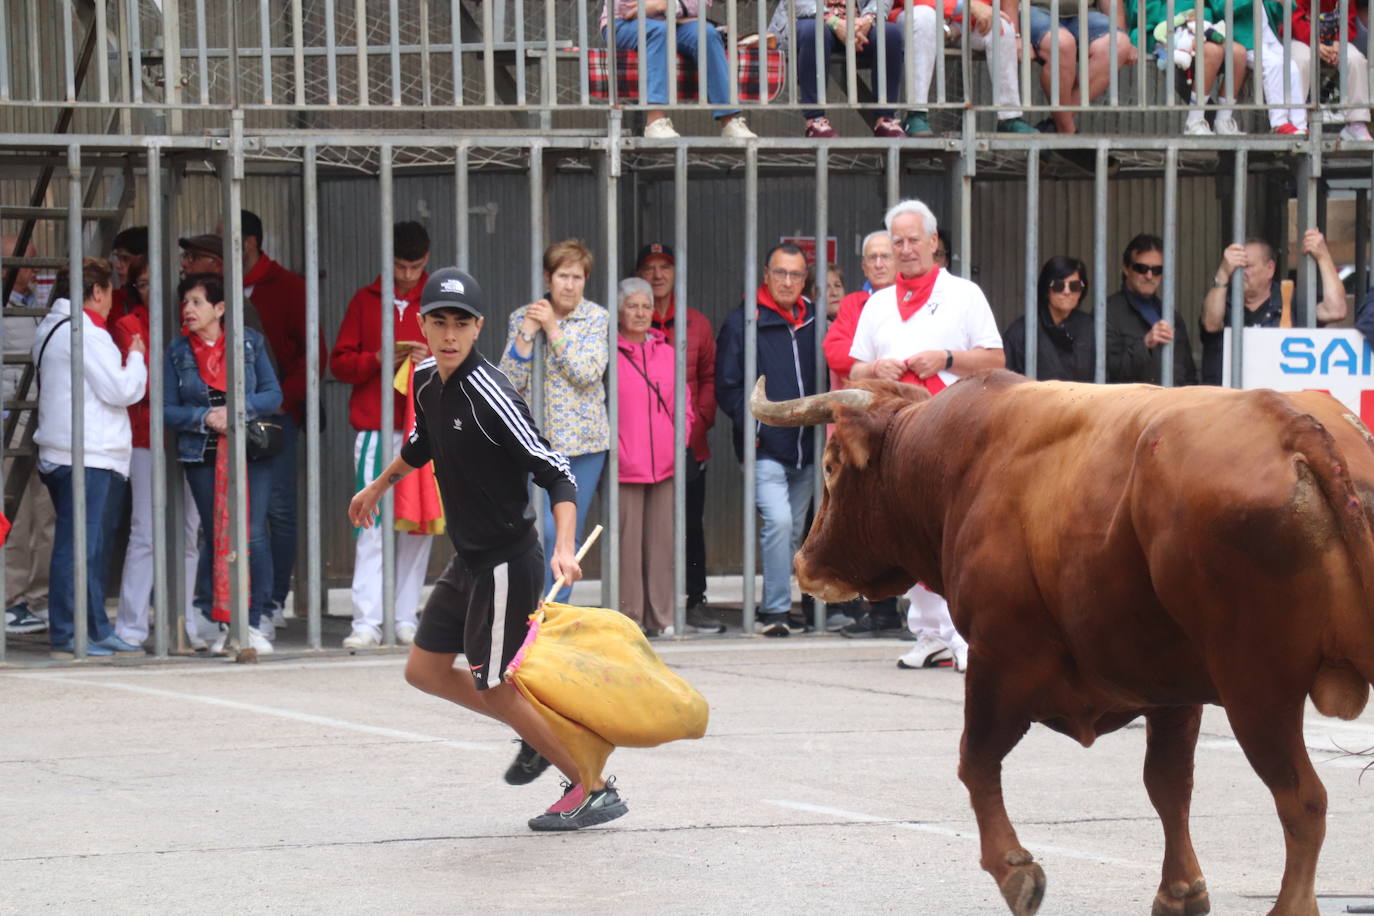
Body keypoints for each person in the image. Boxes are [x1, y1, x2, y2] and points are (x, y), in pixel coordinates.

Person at [351, 267, 628, 832]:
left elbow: (555, 471)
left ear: (478, 328)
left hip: (507, 558)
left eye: (460, 323)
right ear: (422, 326)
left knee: (495, 683)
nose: (448, 333)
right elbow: (423, 441)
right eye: (438, 321)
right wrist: (380, 484)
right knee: (424, 671)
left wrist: (565, 545)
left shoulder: (493, 393)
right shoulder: (426, 377)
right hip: (470, 558)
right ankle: (535, 730)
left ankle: (593, 785)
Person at [848, 199, 1005, 666]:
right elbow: (853, 370)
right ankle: (930, 631)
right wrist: (877, 366)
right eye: (897, 241)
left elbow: (995, 359)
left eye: (914, 239)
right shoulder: (877, 304)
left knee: (950, 532)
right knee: (906, 531)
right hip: (897, 438)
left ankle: (962, 631)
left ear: (934, 242)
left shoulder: (965, 294)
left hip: (954, 431)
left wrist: (947, 359)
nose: (905, 249)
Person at [33, 258, 148, 659]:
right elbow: (121, 390)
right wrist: (135, 356)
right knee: (79, 547)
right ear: (97, 291)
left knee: (88, 547)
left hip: (69, 452)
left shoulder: (51, 327)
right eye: (109, 294)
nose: (110, 302)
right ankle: (69, 633)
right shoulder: (84, 332)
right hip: (87, 455)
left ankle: (95, 628)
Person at [330, 221, 435, 648]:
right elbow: (338, 364)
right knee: (368, 521)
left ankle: (405, 617)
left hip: (424, 430)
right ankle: (367, 622)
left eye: (416, 266)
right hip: (375, 429)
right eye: (400, 265)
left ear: (427, 259)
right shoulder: (363, 300)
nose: (409, 274)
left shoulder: (438, 298)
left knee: (418, 524)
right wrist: (377, 358)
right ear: (387, 260)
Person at [164, 273, 282, 655]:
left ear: (220, 308)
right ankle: (226, 623)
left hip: (249, 449)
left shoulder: (249, 342)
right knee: (217, 534)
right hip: (203, 453)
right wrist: (204, 417)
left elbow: (273, 394)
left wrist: (235, 409)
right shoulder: (178, 351)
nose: (188, 310)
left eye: (197, 302)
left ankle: (254, 621)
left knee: (252, 533)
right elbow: (166, 409)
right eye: (185, 303)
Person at [716, 242, 818, 637]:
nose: (788, 282)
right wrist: (755, 429)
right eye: (780, 273)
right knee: (777, 523)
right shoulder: (745, 320)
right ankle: (773, 611)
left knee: (793, 530)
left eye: (795, 274)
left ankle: (783, 605)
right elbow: (728, 386)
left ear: (804, 278)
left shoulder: (813, 321)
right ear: (765, 274)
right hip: (765, 449)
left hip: (808, 449)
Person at [500, 240, 610, 603]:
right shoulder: (523, 316)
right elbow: (508, 383)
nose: (570, 285)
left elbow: (588, 373)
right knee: (534, 531)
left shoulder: (596, 318)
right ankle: (529, 606)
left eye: (578, 277)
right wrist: (528, 333)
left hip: (586, 446)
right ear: (548, 277)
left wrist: (554, 330)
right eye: (563, 275)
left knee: (564, 531)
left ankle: (552, 612)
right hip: (536, 446)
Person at [635, 243, 724, 634]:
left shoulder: (696, 323)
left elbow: (708, 379)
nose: (657, 275)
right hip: (640, 445)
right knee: (642, 527)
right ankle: (643, 607)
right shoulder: (631, 321)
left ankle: (695, 600)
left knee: (689, 524)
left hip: (689, 441)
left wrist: (698, 422)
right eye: (650, 268)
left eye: (664, 267)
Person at [236, 209, 315, 631]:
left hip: (276, 417)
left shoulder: (288, 287)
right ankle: (234, 604)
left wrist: (283, 400)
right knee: (238, 513)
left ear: (249, 242)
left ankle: (273, 601)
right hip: (228, 417)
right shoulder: (216, 287)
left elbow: (312, 352)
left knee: (278, 511)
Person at [822, 228, 903, 634]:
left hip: (909, 421)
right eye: (872, 257)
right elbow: (835, 351)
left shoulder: (917, 300)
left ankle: (929, 618)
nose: (879, 263)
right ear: (863, 265)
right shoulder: (856, 303)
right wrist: (876, 367)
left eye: (885, 255)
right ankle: (876, 608)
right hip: (862, 428)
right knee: (865, 519)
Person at [615, 278, 693, 638]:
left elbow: (684, 406)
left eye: (646, 306)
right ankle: (629, 618)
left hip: (665, 464)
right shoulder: (609, 354)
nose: (641, 312)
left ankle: (662, 616)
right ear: (619, 311)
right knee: (627, 546)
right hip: (625, 466)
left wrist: (679, 442)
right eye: (632, 305)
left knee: (662, 544)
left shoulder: (667, 352)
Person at [1199, 231, 1347, 384]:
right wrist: (1223, 273)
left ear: (1270, 268)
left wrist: (1323, 256)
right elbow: (1211, 324)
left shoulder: (1290, 299)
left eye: (1247, 266)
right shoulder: (1222, 299)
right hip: (1230, 403)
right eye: (1235, 267)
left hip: (1278, 402)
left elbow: (1336, 310)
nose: (1241, 273)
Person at [601, 0, 756, 139]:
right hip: (621, 23)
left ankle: (729, 120)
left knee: (708, 34)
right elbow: (626, 8)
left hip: (675, 21)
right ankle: (655, 121)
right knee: (660, 31)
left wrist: (664, 5)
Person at [3, 233, 53, 637]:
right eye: (27, 262)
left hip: (40, 422)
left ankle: (40, 597)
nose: (35, 270)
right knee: (15, 515)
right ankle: (10, 599)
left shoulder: (35, 307)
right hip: (10, 423)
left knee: (45, 512)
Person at [893, 0, 1039, 136]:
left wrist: (962, 23)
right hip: (916, 14)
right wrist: (965, 5)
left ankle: (1009, 118)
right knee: (923, 17)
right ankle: (915, 115)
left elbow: (983, 6)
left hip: (963, 22)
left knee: (1002, 26)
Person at [768, 0, 908, 138]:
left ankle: (885, 120)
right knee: (814, 31)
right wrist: (833, 21)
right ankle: (815, 121)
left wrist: (868, 19)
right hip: (810, 18)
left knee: (890, 34)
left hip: (858, 26)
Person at [1123, 0, 1249, 135]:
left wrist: (1202, 17)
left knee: (1238, 53)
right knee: (1213, 51)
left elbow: (1217, 7)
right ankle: (1194, 122)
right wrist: (1182, 19)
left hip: (1202, 27)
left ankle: (1223, 121)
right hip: (1163, 30)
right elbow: (1141, 12)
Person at [1025, 0, 1139, 135]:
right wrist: (1016, 35)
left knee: (1119, 44)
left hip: (1085, 12)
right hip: (1035, 9)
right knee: (1061, 44)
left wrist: (1121, 33)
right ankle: (1068, 133)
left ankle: (1059, 125)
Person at [1105, 232, 1198, 385]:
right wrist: (1145, 344)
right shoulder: (1108, 313)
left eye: (1157, 270)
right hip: (1133, 407)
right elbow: (1107, 373)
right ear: (1126, 269)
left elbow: (1188, 374)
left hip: (1172, 405)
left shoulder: (1172, 316)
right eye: (1141, 268)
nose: (1149, 276)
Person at [1290, 0, 1374, 142]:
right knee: (1300, 61)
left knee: (1355, 60)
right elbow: (1292, 20)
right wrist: (1315, 43)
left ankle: (1356, 123)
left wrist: (1339, 42)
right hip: (1300, 39)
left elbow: (1348, 19)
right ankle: (1296, 123)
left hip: (1332, 41)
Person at [1003, 255, 1097, 382]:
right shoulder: (1021, 333)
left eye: (1075, 286)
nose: (1067, 292)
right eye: (1059, 286)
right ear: (1046, 289)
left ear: (1082, 291)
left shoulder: (1090, 328)